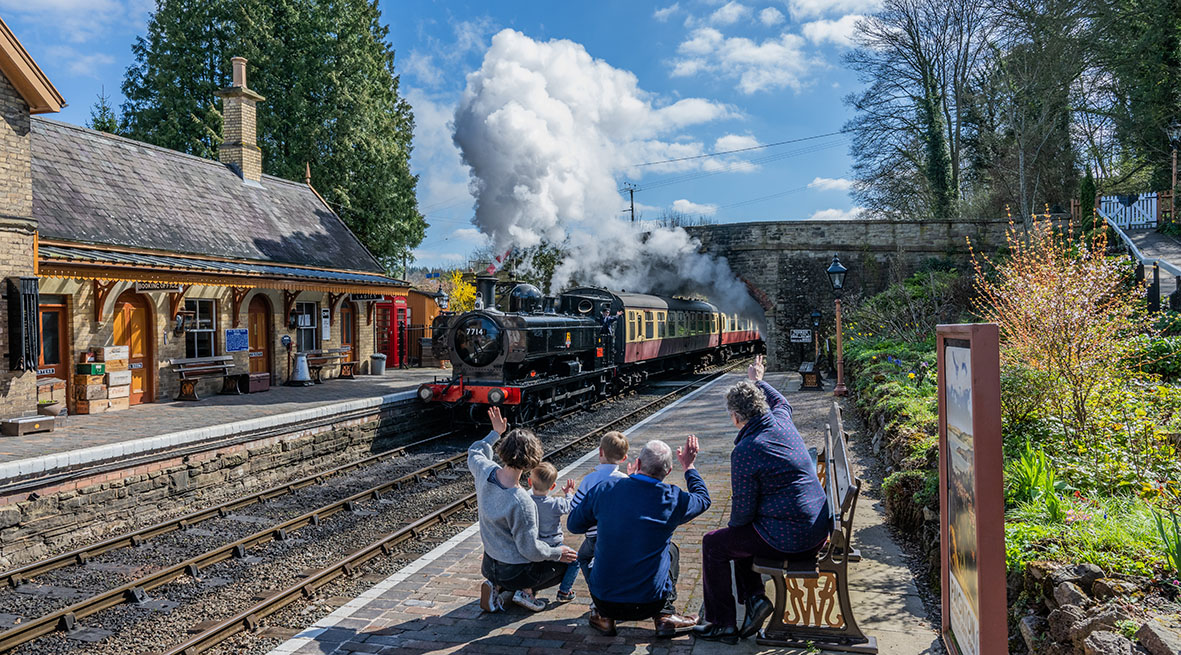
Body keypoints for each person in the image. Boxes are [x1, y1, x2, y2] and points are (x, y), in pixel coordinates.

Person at [694, 355, 832, 644]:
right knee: (740, 537)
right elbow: (782, 401)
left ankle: (722, 623)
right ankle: (755, 600)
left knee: (716, 543)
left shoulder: (746, 449)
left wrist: (733, 528)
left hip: (794, 539)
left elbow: (742, 514)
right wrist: (759, 381)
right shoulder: (781, 419)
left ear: (735, 417)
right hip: (816, 528)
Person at [568, 436, 708, 638]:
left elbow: (574, 525)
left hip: (605, 601)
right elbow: (703, 498)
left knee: (591, 553)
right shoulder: (673, 498)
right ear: (667, 472)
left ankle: (602, 616)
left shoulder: (605, 489)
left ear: (638, 463)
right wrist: (689, 466)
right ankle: (665, 615)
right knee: (671, 550)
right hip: (650, 603)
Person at [470, 407, 577, 613]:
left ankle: (496, 586)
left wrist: (495, 432)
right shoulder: (521, 501)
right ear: (531, 463)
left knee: (526, 557)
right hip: (514, 572)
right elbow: (531, 550)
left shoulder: (485, 471)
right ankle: (523, 591)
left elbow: (474, 451)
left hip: (489, 563)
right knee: (568, 560)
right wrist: (557, 553)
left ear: (503, 450)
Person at [569, 431, 630, 586]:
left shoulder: (589, 480)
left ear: (600, 452)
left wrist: (569, 495)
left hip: (594, 537)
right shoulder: (625, 480)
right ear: (624, 458)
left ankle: (595, 588)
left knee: (582, 558)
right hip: (619, 535)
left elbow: (574, 507)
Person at [528, 462, 580, 602]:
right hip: (555, 546)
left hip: (535, 546)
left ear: (529, 482)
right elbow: (571, 506)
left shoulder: (527, 502)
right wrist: (569, 493)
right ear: (552, 486)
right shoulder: (555, 503)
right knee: (576, 561)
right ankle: (564, 591)